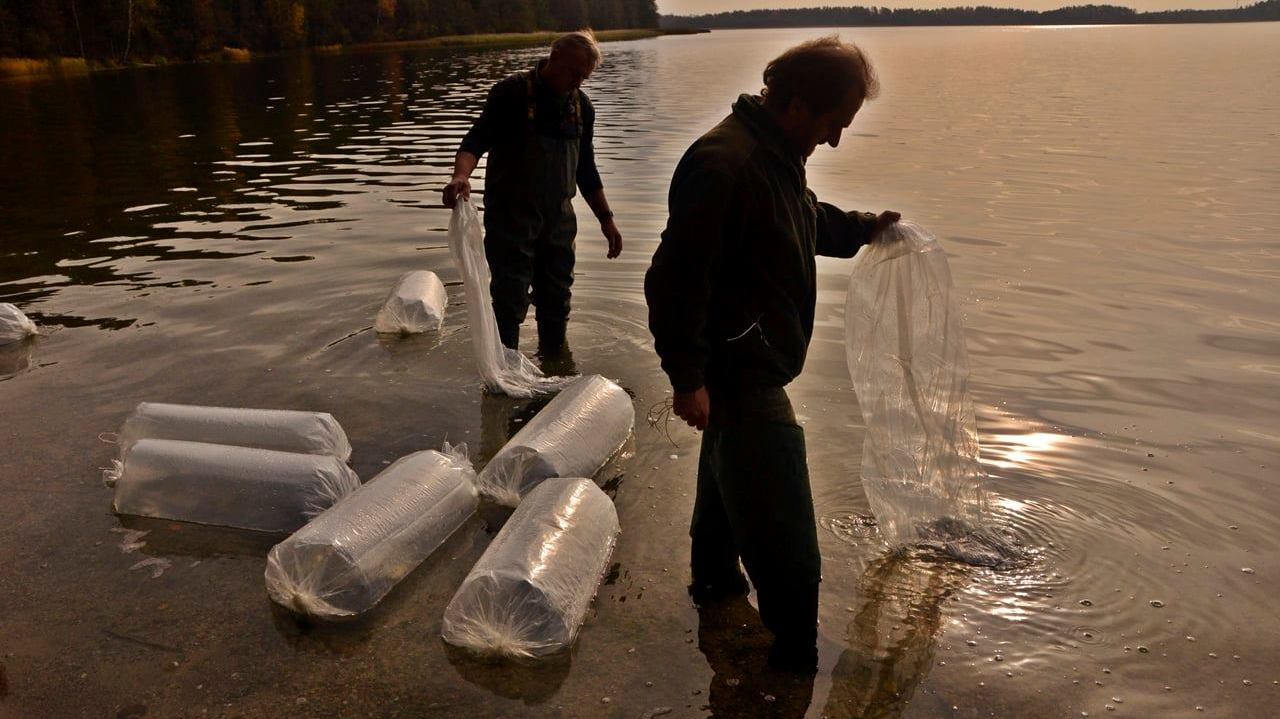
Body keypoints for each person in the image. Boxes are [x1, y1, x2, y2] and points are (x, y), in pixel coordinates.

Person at [644, 36, 901, 673]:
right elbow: (674, 278)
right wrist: (687, 377)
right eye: (832, 124)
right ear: (794, 102)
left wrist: (866, 227)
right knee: (785, 529)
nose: (836, 140)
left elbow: (803, 222)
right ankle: (794, 659)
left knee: (726, 483)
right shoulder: (725, 162)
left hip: (741, 363)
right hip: (741, 370)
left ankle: (715, 593)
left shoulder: (776, 155)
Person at [443, 29, 624, 354]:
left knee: (556, 304)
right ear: (554, 58)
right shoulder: (511, 93)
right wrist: (460, 176)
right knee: (509, 304)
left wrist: (607, 219)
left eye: (584, 77)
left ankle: (555, 373)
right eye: (573, 73)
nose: (577, 83)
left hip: (559, 224)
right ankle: (503, 376)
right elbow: (475, 141)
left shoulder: (582, 107)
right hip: (511, 223)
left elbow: (586, 169)